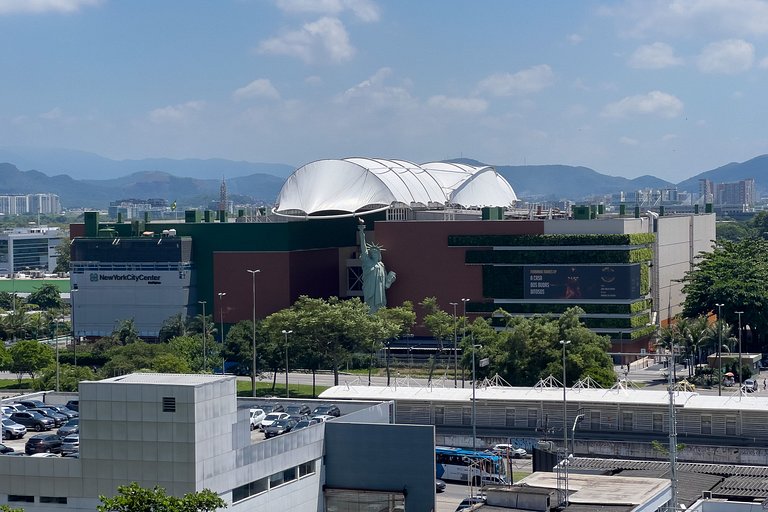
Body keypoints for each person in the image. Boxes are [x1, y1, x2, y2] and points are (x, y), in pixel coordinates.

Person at [358, 222, 396, 313]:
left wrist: (390, 279)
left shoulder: (381, 265)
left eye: (376, 252)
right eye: (373, 252)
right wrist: (362, 232)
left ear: (379, 254)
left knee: (380, 306)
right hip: (370, 289)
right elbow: (363, 249)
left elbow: (386, 281)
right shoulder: (368, 262)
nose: (374, 253)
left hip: (380, 292)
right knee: (370, 307)